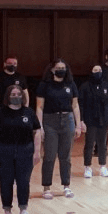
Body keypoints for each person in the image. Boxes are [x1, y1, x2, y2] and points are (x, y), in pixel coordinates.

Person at [0, 85, 42, 214]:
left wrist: (37, 152)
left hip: (25, 151)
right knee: (6, 182)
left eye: (18, 94)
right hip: (5, 151)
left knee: (23, 181)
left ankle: (23, 209)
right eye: (13, 94)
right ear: (7, 96)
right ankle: (7, 211)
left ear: (22, 96)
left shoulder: (29, 113)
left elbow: (37, 132)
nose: (16, 96)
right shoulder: (0, 113)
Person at [35, 59, 83, 201]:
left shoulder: (71, 84)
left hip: (67, 120)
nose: (61, 70)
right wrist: (40, 127)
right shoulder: (44, 85)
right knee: (49, 155)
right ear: (52, 70)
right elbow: (39, 107)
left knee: (66, 156)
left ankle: (66, 186)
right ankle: (46, 187)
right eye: (58, 67)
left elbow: (75, 106)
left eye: (63, 67)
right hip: (50, 121)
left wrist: (78, 124)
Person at [78, 63, 108, 178]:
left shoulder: (107, 87)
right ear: (91, 72)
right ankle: (87, 167)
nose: (98, 72)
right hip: (90, 120)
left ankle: (103, 167)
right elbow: (81, 105)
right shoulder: (85, 87)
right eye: (95, 70)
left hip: (104, 119)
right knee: (89, 143)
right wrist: (81, 121)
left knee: (102, 144)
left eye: (99, 70)